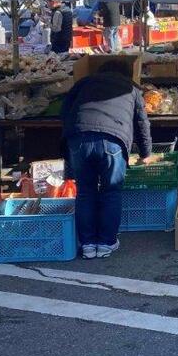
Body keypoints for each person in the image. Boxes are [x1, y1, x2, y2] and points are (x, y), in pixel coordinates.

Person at [61, 59, 153, 259]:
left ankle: (87, 244)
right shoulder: (131, 89)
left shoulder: (83, 83)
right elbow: (142, 123)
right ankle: (106, 243)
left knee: (85, 191)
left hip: (79, 138)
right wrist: (146, 153)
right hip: (113, 140)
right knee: (111, 191)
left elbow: (65, 113)